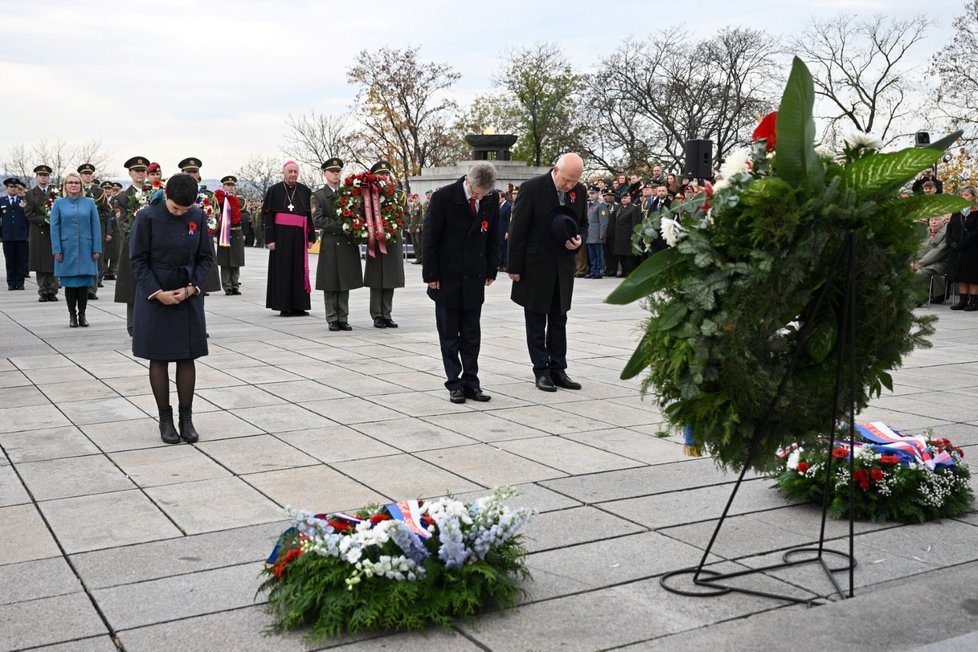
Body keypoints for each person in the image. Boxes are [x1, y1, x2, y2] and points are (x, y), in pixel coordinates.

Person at [129, 173, 212, 444]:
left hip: (187, 293)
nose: (180, 213)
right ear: (166, 196)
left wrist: (192, 288)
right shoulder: (147, 217)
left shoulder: (197, 216)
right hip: (157, 292)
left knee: (187, 356)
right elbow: (138, 260)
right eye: (176, 208)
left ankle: (186, 418)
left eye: (185, 209)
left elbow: (205, 257)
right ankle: (165, 420)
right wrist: (157, 293)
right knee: (160, 357)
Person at [508, 153, 586, 392]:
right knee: (536, 319)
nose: (570, 186)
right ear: (555, 170)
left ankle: (558, 368)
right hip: (535, 265)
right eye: (566, 180)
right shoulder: (532, 189)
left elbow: (583, 223)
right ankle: (541, 370)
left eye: (574, 181)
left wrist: (580, 240)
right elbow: (518, 229)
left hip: (562, 265)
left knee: (559, 318)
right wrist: (514, 267)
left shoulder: (579, 191)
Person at [422, 162, 499, 403]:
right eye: (477, 192)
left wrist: (491, 269)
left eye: (483, 193)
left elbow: (493, 236)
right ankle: (454, 382)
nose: (479, 196)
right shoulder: (444, 197)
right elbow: (430, 237)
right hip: (447, 277)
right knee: (449, 335)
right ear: (468, 180)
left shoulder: (490, 199)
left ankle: (471, 382)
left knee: (471, 335)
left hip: (474, 276)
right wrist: (431, 275)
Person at [313, 158, 362, 331]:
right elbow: (318, 219)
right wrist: (341, 226)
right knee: (330, 281)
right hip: (331, 243)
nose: (335, 174)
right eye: (332, 171)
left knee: (345, 281)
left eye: (338, 171)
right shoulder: (319, 195)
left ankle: (343, 317)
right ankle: (332, 318)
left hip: (347, 243)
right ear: (325, 174)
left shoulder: (349, 193)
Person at [262, 160, 315, 316]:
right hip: (281, 236)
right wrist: (269, 239)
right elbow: (268, 216)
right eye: (290, 171)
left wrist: (311, 236)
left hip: (299, 236)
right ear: (284, 173)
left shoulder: (305, 191)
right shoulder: (274, 190)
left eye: (295, 172)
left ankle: (299, 306)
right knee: (283, 270)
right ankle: (283, 306)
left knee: (299, 270)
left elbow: (308, 215)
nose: (293, 174)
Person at [50, 172, 101, 327]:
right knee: (70, 284)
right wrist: (56, 249)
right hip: (66, 249)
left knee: (84, 284)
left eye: (76, 182)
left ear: (81, 185)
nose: (73, 185)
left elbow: (95, 226)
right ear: (65, 185)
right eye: (70, 182)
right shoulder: (58, 203)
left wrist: (96, 247)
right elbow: (54, 227)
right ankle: (72, 315)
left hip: (86, 248)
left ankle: (82, 315)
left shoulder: (89, 202)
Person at [364, 160, 406, 328]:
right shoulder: (367, 194)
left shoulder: (398, 194)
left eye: (387, 174)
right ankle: (377, 315)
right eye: (381, 174)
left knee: (390, 278)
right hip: (375, 241)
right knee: (376, 279)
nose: (384, 177)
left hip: (392, 242)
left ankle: (387, 314)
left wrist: (393, 226)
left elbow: (406, 215)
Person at [114, 156, 151, 336]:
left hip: (154, 249)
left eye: (143, 170)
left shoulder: (154, 193)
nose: (140, 174)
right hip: (133, 248)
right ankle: (133, 326)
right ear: (130, 173)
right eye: (137, 171)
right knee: (133, 287)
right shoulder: (122, 198)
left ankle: (151, 323)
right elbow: (123, 227)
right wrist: (140, 244)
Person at [180, 158, 222, 296]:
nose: (192, 175)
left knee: (201, 287)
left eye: (194, 172)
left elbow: (215, 217)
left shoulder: (208, 195)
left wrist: (207, 231)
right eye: (188, 172)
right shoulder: (175, 193)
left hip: (202, 241)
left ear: (199, 174)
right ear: (182, 173)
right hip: (182, 242)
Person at [25, 164, 60, 302]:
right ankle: (43, 291)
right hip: (39, 230)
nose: (43, 177)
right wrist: (45, 219)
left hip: (53, 231)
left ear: (48, 177)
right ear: (36, 177)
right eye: (41, 175)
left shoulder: (55, 193)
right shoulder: (30, 194)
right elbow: (28, 213)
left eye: (45, 175)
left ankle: (53, 290)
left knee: (53, 261)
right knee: (40, 263)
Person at [78, 163, 111, 301]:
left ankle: (92, 289)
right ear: (80, 175)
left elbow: (106, 211)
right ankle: (82, 287)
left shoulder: (99, 192)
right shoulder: (76, 190)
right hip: (80, 231)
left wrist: (94, 217)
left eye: (89, 173)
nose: (87, 176)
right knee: (82, 259)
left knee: (97, 260)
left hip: (96, 230)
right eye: (85, 173)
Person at [947, 186, 978, 311]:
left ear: (973, 197)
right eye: (962, 195)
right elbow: (949, 228)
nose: (963, 197)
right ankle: (963, 300)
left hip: (971, 250)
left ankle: (974, 301)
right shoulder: (957, 211)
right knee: (960, 275)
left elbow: (976, 232)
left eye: (966, 195)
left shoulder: (976, 212)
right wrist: (951, 242)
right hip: (956, 250)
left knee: (971, 276)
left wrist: (961, 244)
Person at [214, 175, 246, 295]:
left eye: (233, 185)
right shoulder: (218, 200)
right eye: (228, 185)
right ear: (223, 186)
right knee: (226, 261)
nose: (231, 187)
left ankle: (235, 285)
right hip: (224, 232)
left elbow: (244, 216)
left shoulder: (240, 201)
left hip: (236, 231)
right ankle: (227, 286)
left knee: (236, 260)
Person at [1, 178, 30, 290]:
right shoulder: (2, 201)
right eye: (11, 187)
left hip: (21, 235)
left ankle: (20, 282)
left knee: (21, 260)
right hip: (7, 235)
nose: (13, 189)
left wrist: (28, 233)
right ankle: (11, 283)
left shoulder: (23, 200)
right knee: (10, 260)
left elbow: (28, 217)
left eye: (15, 187)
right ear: (6, 188)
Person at [914, 215, 949, 303]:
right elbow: (916, 247)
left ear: (943, 221)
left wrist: (920, 263)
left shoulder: (946, 233)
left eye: (936, 220)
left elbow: (938, 252)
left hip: (940, 262)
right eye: (931, 220)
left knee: (920, 273)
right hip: (922, 261)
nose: (933, 222)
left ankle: (919, 299)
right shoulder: (925, 232)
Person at [613, 192, 641, 276]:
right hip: (619, 235)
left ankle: (629, 272)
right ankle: (624, 271)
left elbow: (634, 222)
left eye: (625, 198)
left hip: (628, 234)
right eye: (622, 198)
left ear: (629, 198)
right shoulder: (619, 208)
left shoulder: (633, 208)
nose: (623, 200)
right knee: (620, 254)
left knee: (628, 255)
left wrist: (634, 234)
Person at [585, 185, 608, 279]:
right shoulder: (589, 204)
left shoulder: (601, 204)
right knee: (591, 254)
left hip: (597, 233)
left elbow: (604, 221)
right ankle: (593, 270)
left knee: (598, 254)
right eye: (590, 193)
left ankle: (599, 271)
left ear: (598, 193)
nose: (591, 195)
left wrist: (602, 233)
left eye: (593, 193)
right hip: (590, 233)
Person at [602, 188, 620, 277]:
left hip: (613, 233)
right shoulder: (603, 206)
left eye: (610, 196)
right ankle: (608, 269)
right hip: (604, 233)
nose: (608, 197)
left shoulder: (617, 206)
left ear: (614, 197)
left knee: (613, 253)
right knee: (606, 253)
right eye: (607, 196)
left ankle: (614, 269)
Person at [406, 192, 424, 264]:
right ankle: (417, 257)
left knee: (419, 243)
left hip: (417, 227)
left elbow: (421, 217)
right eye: (413, 199)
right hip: (412, 228)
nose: (414, 200)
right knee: (414, 244)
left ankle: (421, 258)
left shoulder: (420, 206)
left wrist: (419, 226)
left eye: (416, 198)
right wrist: (409, 227)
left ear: (418, 198)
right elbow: (410, 218)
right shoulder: (412, 207)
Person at [497, 191, 512, 272]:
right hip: (499, 230)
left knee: (504, 248)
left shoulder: (508, 206)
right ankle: (500, 263)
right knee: (500, 247)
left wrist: (507, 231)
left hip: (504, 230)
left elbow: (508, 220)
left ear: (503, 198)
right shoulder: (500, 206)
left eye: (499, 198)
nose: (498, 200)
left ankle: (505, 264)